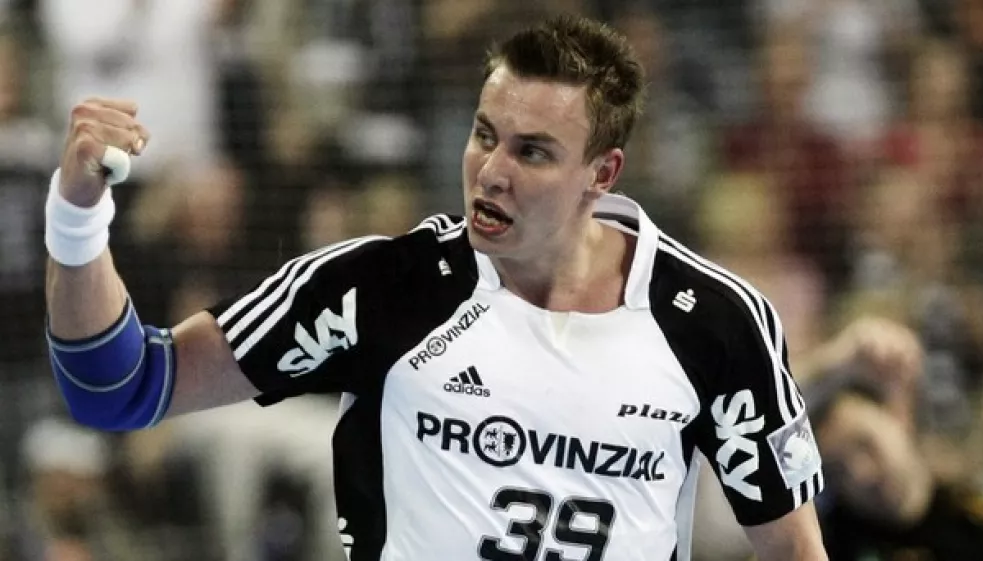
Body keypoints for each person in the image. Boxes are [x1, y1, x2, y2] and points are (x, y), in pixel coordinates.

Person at [42, 15, 828, 560]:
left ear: (603, 173)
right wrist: (76, 218)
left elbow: (792, 546)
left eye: (533, 152)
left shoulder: (716, 324)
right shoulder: (382, 287)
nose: (492, 170)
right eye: (484, 133)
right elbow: (117, 389)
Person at [807, 374, 983, 559]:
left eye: (865, 444)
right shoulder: (830, 547)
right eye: (838, 470)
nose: (861, 476)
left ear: (899, 416)